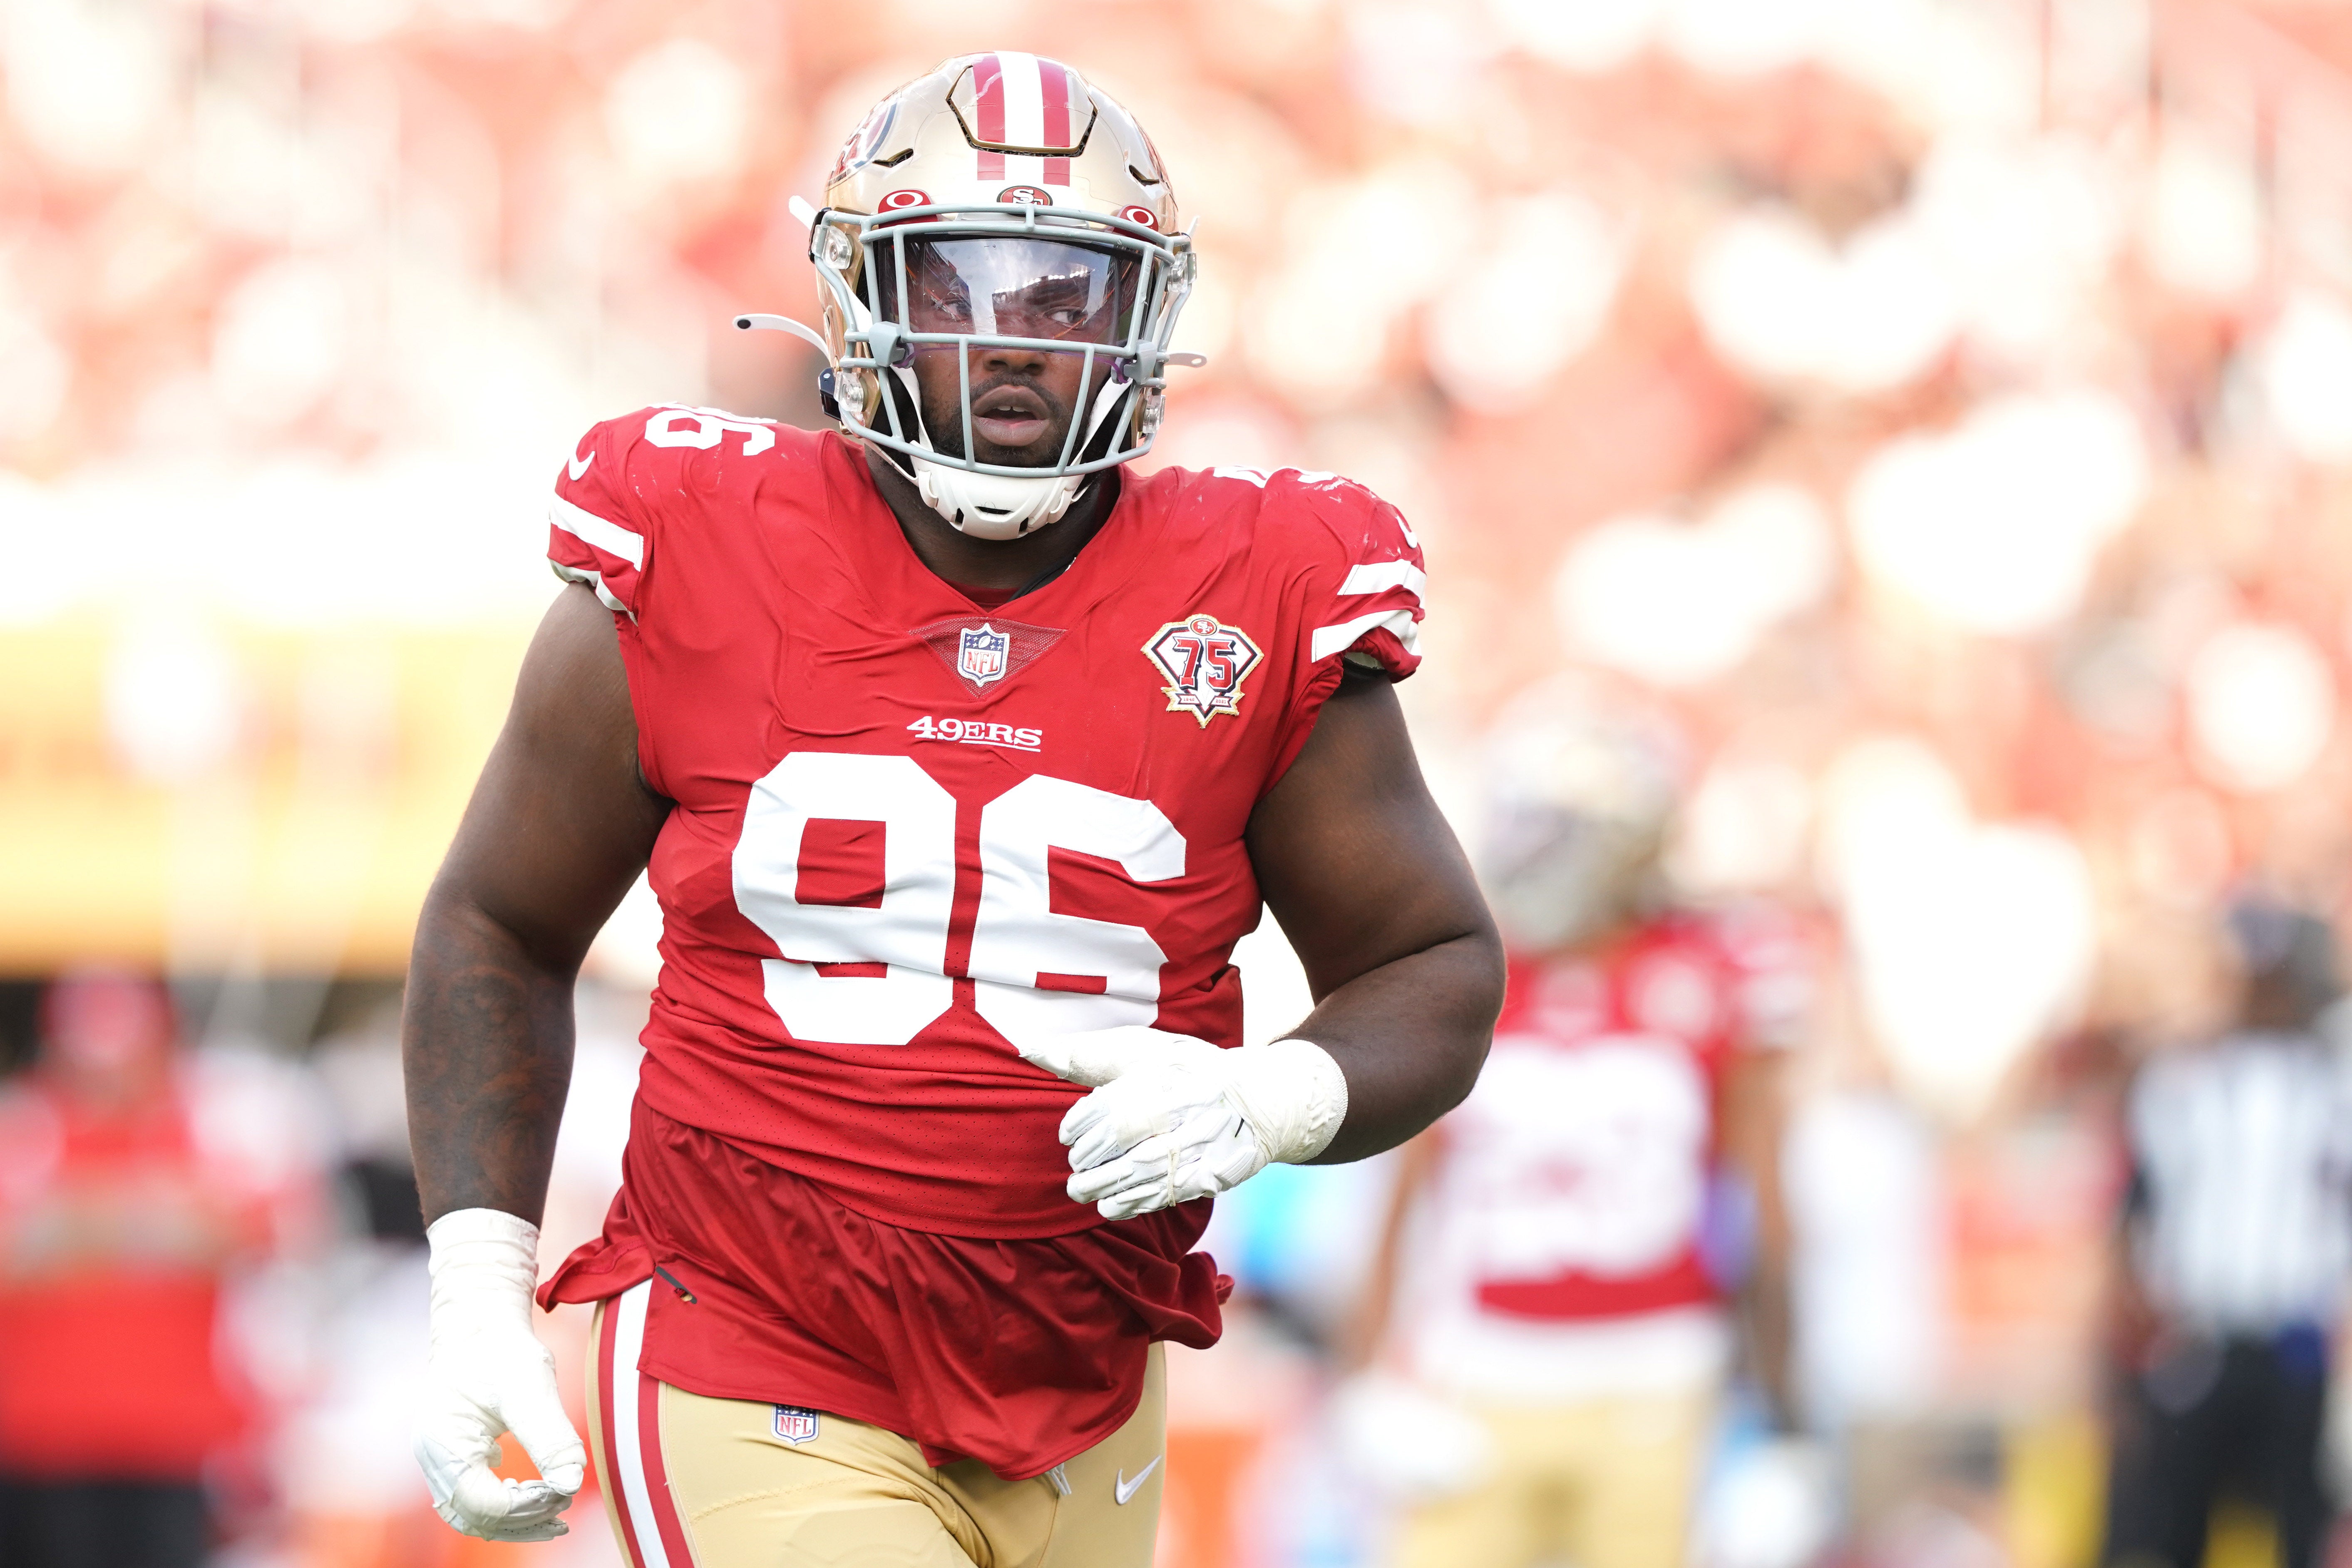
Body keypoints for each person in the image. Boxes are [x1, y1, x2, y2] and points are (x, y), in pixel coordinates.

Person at [401, 52, 1503, 1568]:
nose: (1011, 344)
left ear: (1148, 319)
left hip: (1085, 1374)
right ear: (858, 295)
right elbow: (500, 917)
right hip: (755, 1330)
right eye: (958, 285)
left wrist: (1270, 1098)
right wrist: (478, 1290)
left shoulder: (1260, 587)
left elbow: (1434, 960)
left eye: (1068, 295)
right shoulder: (697, 538)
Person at [1343, 680, 1808, 1568]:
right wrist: (1364, 1384)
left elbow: (1770, 1224)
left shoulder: (1713, 973)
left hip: (1655, 1378)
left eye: (1549, 824)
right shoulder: (1469, 967)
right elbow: (1396, 1197)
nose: (1522, 846)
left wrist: (1787, 1430)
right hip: (1477, 1377)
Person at [0, 971, 290, 1568]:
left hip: (171, 1437)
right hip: (40, 1436)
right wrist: (152, 1220)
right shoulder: (26, 1122)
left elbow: (256, 1232)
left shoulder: (209, 1119)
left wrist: (76, 1227)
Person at [2099, 897, 2352, 1568]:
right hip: (2197, 1342)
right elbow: (2135, 1213)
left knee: (2302, 1527)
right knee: (2175, 1528)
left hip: (2295, 1343)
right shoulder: (2179, 1083)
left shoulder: (2333, 1082)